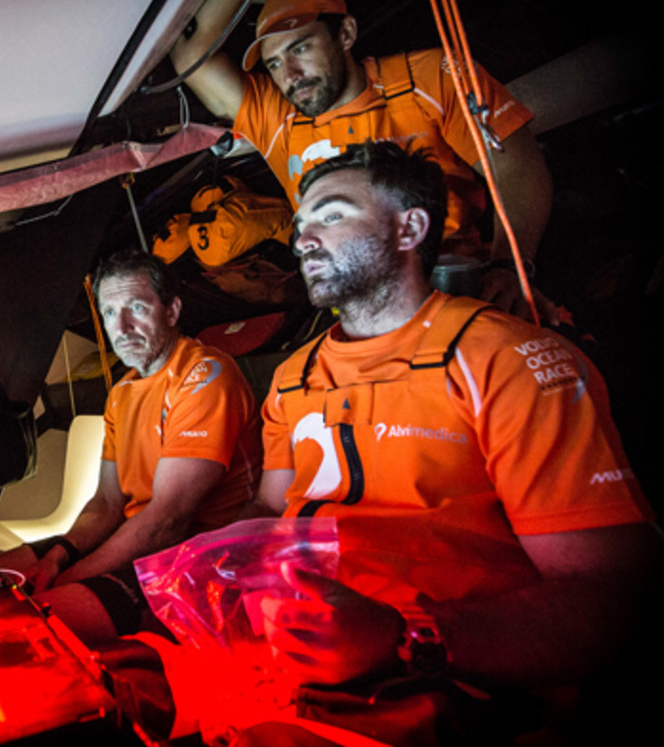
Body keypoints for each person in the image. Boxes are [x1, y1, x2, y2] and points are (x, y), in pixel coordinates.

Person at [217, 141, 655, 743]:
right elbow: (270, 506)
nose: (302, 240)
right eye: (300, 225)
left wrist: (406, 636)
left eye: (332, 214)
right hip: (290, 650)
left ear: (410, 228)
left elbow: (610, 599)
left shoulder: (505, 359)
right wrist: (204, 570)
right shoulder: (293, 376)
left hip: (451, 679)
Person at [170, 0, 556, 323]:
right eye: (273, 63)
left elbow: (517, 168)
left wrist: (510, 266)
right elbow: (190, 57)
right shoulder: (274, 115)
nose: (289, 75)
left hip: (450, 288)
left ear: (346, 33)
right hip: (357, 313)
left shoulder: (428, 77)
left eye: (300, 48)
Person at [0, 250, 262, 644]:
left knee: (32, 626)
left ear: (171, 311)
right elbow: (106, 503)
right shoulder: (122, 393)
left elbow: (168, 520)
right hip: (144, 537)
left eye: (136, 307)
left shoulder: (204, 376)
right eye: (109, 312)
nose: (120, 326)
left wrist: (69, 578)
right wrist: (58, 556)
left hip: (206, 554)